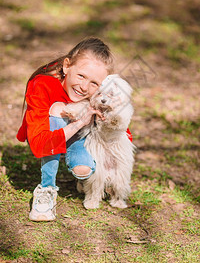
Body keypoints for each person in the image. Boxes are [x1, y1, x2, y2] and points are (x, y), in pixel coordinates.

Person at [17, 37, 132, 221]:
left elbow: (120, 130)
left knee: (83, 169)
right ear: (66, 66)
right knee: (57, 109)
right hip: (45, 136)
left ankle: (81, 177)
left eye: (95, 83)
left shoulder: (97, 96)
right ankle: (47, 189)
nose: (84, 87)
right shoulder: (42, 85)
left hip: (76, 138)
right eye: (81, 76)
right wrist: (79, 122)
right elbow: (40, 145)